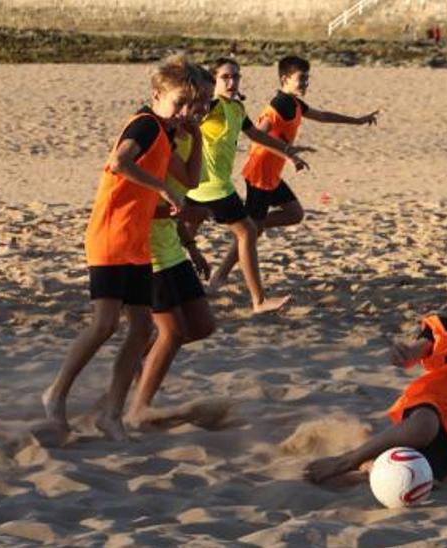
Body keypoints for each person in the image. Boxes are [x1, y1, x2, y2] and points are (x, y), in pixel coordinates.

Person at [40, 56, 192, 442]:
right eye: (178, 103)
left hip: (135, 241)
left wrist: (168, 203)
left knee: (141, 330)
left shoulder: (165, 130)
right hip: (109, 235)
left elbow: (187, 179)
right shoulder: (144, 124)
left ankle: (111, 415)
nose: (184, 112)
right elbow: (119, 162)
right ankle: (55, 394)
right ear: (156, 96)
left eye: (190, 104)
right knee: (105, 323)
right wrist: (161, 188)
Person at [304, 271, 447, 484]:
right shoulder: (443, 329)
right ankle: (345, 461)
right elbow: (420, 348)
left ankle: (368, 463)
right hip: (429, 410)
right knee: (425, 427)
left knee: (412, 476)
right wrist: (406, 354)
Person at [206, 55, 378, 288]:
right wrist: (288, 153)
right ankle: (221, 274)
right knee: (251, 230)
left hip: (272, 175)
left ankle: (250, 225)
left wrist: (357, 121)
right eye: (301, 78)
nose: (306, 83)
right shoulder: (278, 104)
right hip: (260, 174)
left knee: (294, 214)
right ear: (285, 79)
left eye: (307, 78)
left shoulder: (295, 103)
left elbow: (324, 116)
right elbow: (258, 136)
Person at [126, 64, 219, 427]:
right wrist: (189, 211)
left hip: (170, 245)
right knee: (172, 332)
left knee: (202, 326)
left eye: (204, 105)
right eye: (195, 104)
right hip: (145, 248)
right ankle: (138, 408)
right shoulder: (152, 133)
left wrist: (192, 246)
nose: (198, 111)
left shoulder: (179, 136)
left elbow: (191, 181)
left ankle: (136, 372)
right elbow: (139, 202)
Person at [183, 58, 309, 314]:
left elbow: (256, 135)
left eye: (236, 77)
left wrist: (287, 150)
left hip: (200, 187)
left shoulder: (236, 109)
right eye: (225, 78)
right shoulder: (211, 107)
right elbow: (185, 124)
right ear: (213, 81)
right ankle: (259, 301)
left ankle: (149, 290)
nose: (232, 82)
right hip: (213, 187)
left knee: (182, 237)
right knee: (248, 232)